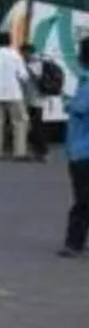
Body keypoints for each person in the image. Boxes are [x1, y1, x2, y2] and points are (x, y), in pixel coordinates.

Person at [58, 38, 89, 259]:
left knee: (82, 200)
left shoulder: (86, 84)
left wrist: (67, 102)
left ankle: (74, 243)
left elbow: (78, 108)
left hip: (83, 152)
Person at [0, 34, 30, 160]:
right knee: (19, 122)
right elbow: (24, 76)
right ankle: (19, 153)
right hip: (14, 94)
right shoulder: (15, 56)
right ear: (10, 42)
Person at [21, 43, 52, 162]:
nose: (22, 55)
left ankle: (42, 151)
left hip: (35, 100)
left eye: (23, 53)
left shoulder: (34, 64)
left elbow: (32, 80)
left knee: (36, 127)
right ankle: (39, 151)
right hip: (36, 99)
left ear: (27, 52)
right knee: (35, 126)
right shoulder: (38, 62)